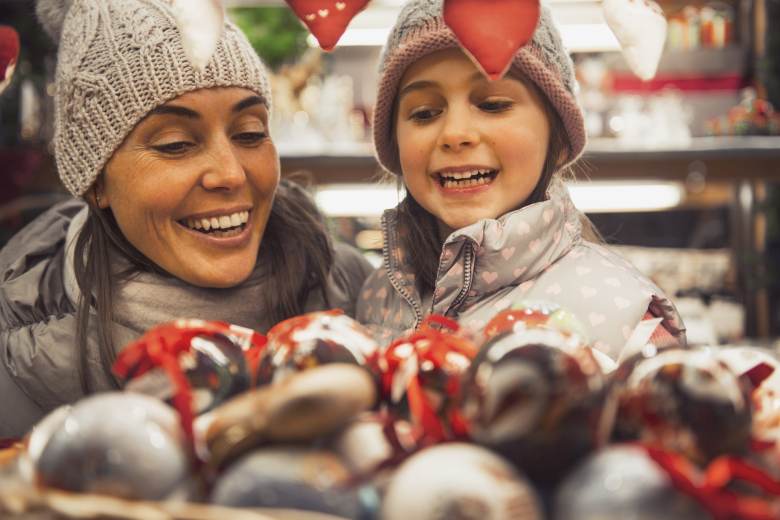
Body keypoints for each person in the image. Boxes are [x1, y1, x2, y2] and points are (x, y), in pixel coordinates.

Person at [0, 0, 372, 438]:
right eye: (175, 144)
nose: (230, 175)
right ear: (96, 181)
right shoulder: (19, 360)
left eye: (250, 133)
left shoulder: (360, 295)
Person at [356, 0, 685, 355]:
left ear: (558, 138)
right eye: (424, 113)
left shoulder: (626, 319)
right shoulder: (376, 295)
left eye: (493, 104)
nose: (455, 133)